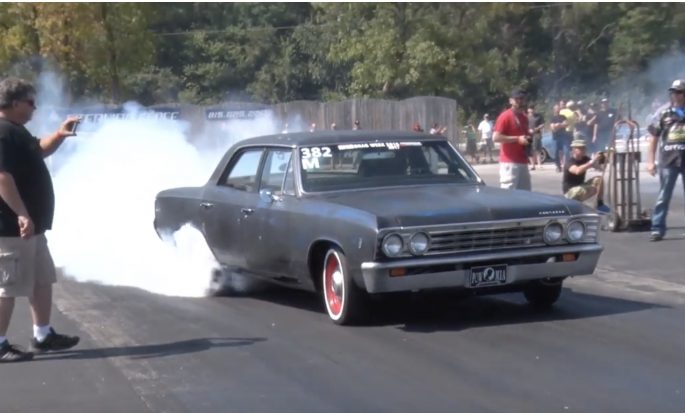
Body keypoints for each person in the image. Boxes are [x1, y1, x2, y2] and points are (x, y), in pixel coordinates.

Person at [0, 77, 81, 362]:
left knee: (41, 279)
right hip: (11, 228)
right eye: (31, 102)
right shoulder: (2, 132)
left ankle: (43, 335)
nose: (35, 108)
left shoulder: (16, 131)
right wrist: (22, 214)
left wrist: (59, 135)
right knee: (7, 287)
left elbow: (39, 149)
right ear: (15, 102)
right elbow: (2, 177)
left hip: (30, 228)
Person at [646, 79, 685, 242]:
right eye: (673, 92)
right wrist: (650, 161)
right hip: (668, 160)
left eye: (678, 92)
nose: (675, 95)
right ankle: (657, 228)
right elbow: (653, 138)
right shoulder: (664, 114)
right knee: (664, 196)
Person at [493, 88, 531, 190]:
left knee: (526, 195)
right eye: (517, 98)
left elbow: (524, 136)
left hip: (523, 160)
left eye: (522, 98)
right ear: (511, 101)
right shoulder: (505, 116)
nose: (520, 101)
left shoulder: (524, 117)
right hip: (509, 162)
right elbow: (496, 137)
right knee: (509, 194)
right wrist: (517, 139)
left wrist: (528, 139)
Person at [562, 137, 610, 213]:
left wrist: (602, 158)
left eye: (584, 148)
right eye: (580, 148)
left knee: (599, 180)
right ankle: (574, 207)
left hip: (581, 186)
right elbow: (577, 171)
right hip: (570, 192)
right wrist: (591, 162)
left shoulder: (585, 159)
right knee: (582, 190)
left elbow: (600, 168)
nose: (583, 150)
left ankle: (600, 204)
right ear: (574, 150)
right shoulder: (569, 162)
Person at [550, 104, 570, 172]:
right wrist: (561, 125)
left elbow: (566, 124)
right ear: (554, 109)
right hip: (555, 138)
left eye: (558, 108)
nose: (558, 110)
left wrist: (558, 125)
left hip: (563, 137)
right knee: (556, 152)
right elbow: (553, 129)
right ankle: (558, 166)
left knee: (566, 151)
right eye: (556, 108)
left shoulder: (563, 117)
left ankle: (566, 165)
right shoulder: (552, 118)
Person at [526, 105, 545, 170]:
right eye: (530, 109)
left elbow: (542, 124)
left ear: (534, 109)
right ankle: (532, 165)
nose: (531, 111)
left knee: (537, 149)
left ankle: (539, 164)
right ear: (528, 110)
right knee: (530, 150)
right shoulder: (526, 117)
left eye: (532, 109)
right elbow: (524, 125)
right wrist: (528, 130)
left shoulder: (539, 116)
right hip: (529, 135)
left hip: (537, 134)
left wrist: (536, 129)